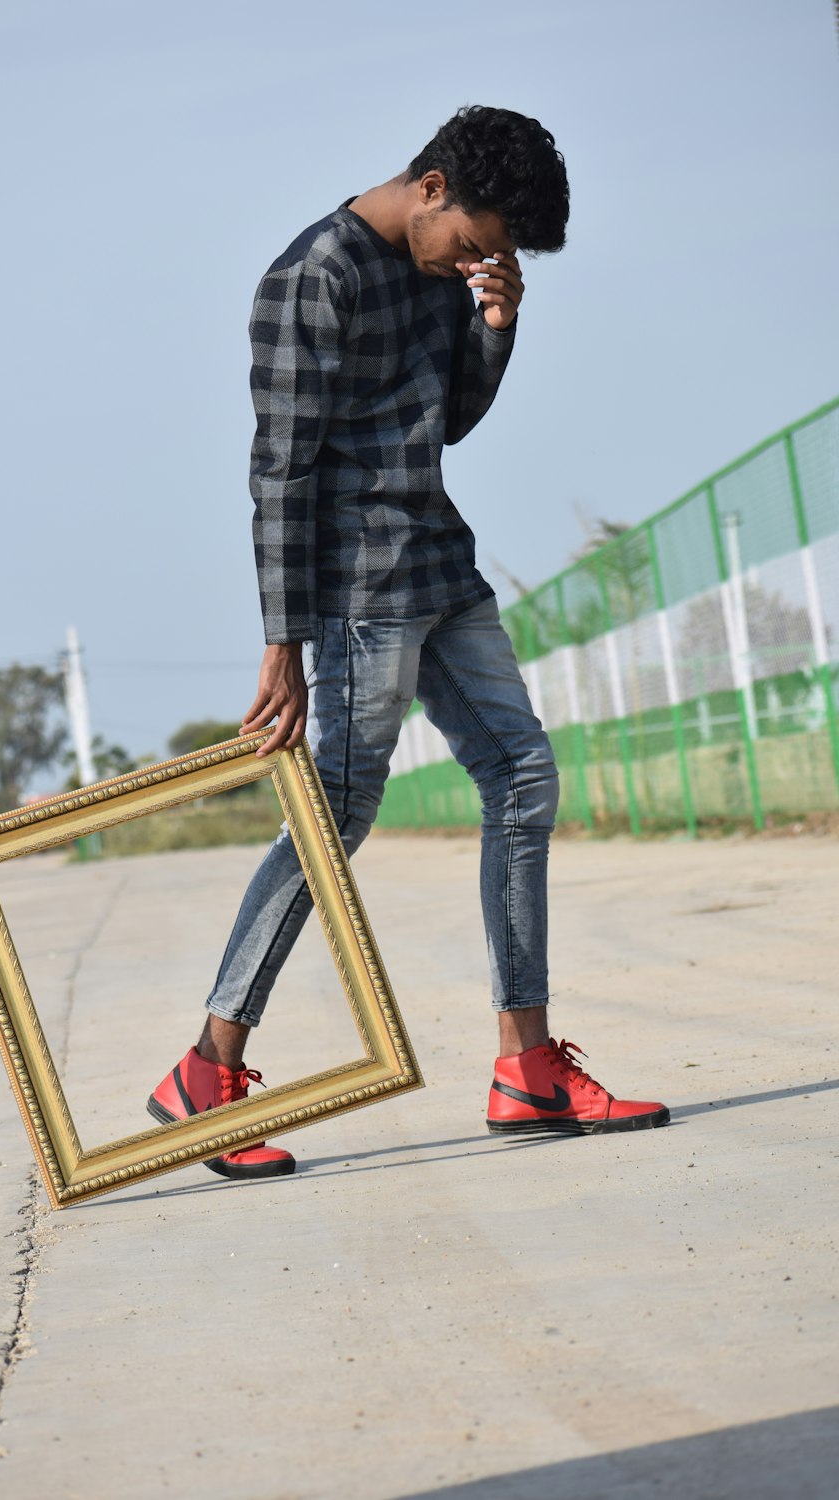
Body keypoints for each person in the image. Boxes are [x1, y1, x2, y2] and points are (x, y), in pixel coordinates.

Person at [148, 106, 669, 1178]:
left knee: (522, 775)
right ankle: (208, 1067)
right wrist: (281, 642)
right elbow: (279, 470)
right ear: (429, 185)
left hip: (439, 566)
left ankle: (527, 1068)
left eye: (497, 256)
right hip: (355, 593)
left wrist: (495, 325)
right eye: (475, 241)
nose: (476, 261)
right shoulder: (311, 278)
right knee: (338, 811)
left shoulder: (446, 276)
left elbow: (446, 421)